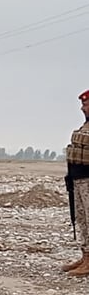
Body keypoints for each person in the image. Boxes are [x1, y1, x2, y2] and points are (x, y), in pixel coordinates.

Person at [62, 89, 89, 276]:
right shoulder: (85, 126)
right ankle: (86, 256)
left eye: (86, 104)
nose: (82, 108)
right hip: (78, 179)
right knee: (82, 220)